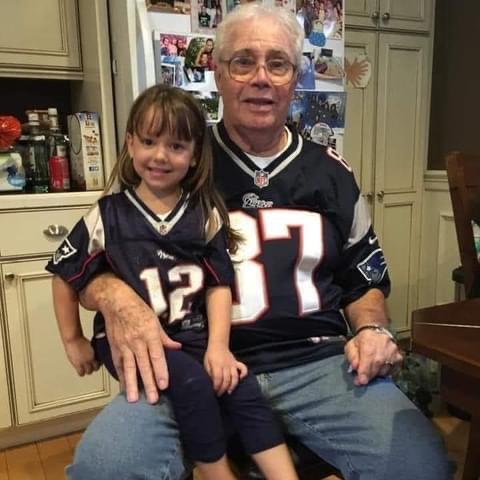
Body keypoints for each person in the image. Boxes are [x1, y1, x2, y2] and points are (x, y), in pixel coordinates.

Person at [66, 4, 449, 480]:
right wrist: (115, 296)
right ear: (217, 73)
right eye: (243, 62)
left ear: (297, 77)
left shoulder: (331, 173)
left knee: (418, 465)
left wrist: (372, 329)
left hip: (315, 361)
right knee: (103, 468)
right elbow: (92, 258)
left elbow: (363, 276)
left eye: (278, 63)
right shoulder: (175, 161)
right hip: (189, 361)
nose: (261, 78)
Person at [48, 85, 298, 480]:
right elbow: (64, 274)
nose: (160, 156)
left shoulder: (205, 213)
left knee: (240, 385)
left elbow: (218, 285)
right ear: (130, 143)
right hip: (129, 342)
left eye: (176, 146)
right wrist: (72, 339)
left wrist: (219, 347)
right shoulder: (107, 215)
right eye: (149, 141)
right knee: (193, 383)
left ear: (195, 153)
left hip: (191, 334)